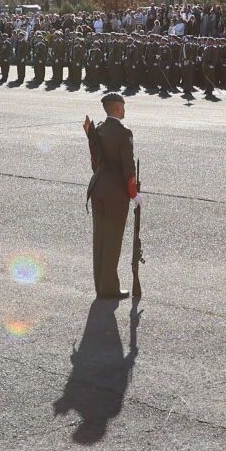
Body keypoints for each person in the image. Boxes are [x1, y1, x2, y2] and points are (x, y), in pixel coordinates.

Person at [84, 92, 140, 300]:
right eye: (123, 107)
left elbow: (95, 162)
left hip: (98, 188)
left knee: (100, 238)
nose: (124, 111)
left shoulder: (99, 129)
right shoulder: (124, 132)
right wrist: (134, 194)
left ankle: (100, 285)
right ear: (117, 108)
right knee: (113, 240)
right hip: (116, 192)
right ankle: (110, 288)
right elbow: (128, 167)